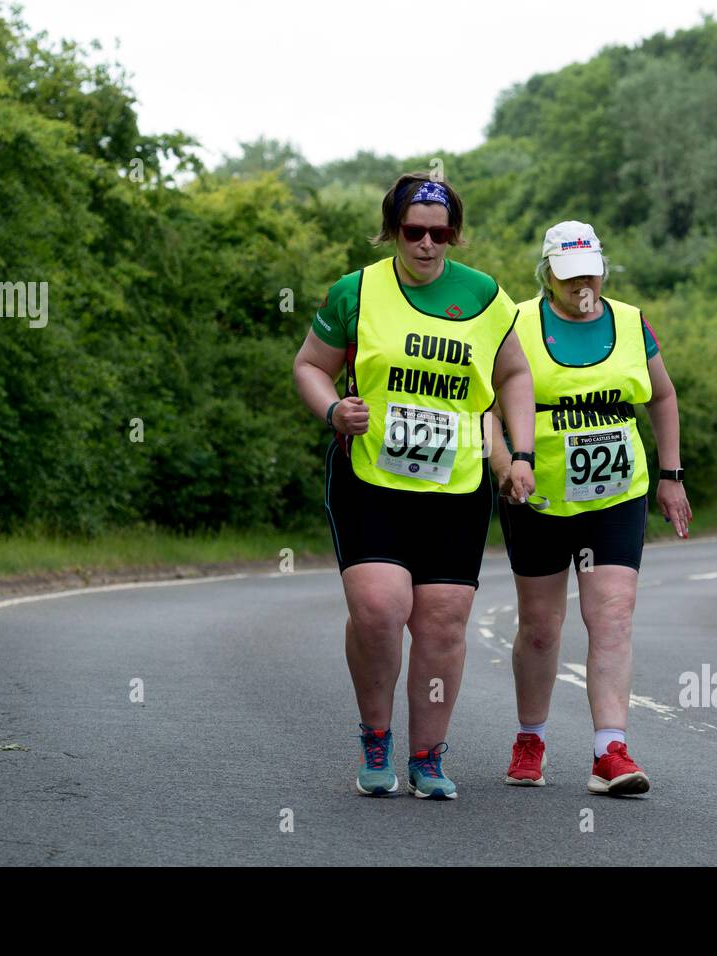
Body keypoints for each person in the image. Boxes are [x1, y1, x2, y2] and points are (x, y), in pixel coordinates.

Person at [292, 173, 536, 799]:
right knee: (379, 608)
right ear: (393, 231)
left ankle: (428, 756)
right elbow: (311, 366)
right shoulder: (357, 291)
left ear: (453, 234)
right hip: (371, 478)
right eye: (414, 231)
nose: (428, 244)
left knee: (443, 622)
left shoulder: (485, 296)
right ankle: (377, 738)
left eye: (440, 233)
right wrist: (331, 410)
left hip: (456, 485)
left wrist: (520, 453)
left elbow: (513, 375)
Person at [484, 220, 691, 796]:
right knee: (543, 629)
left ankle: (610, 752)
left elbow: (664, 395)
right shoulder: (516, 323)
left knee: (613, 617)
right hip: (538, 496)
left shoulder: (629, 320)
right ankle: (531, 738)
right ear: (547, 274)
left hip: (615, 497)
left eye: (590, 272)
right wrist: (504, 463)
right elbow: (486, 404)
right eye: (569, 274)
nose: (582, 284)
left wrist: (671, 476)